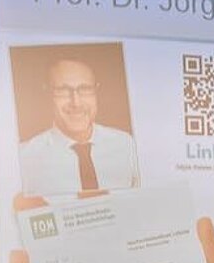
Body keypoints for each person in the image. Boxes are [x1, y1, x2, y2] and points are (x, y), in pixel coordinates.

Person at [18, 58, 139, 197]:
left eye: (85, 89)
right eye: (63, 90)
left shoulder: (127, 144)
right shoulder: (24, 157)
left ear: (96, 91)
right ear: (47, 93)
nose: (76, 103)